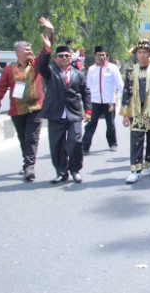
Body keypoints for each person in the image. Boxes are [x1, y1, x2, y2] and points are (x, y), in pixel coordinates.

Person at [35, 17, 92, 184]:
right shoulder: (50, 73)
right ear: (55, 59)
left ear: (70, 57)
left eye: (67, 55)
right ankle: (61, 172)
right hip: (55, 114)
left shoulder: (78, 74)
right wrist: (48, 44)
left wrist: (88, 111)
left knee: (75, 143)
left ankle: (75, 170)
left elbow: (86, 92)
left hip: (74, 114)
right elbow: (40, 65)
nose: (64, 58)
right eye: (60, 56)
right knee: (57, 145)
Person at [0, 41, 45, 181]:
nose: (29, 51)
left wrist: (51, 35)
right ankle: (27, 164)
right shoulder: (8, 70)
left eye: (31, 49)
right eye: (26, 49)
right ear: (17, 52)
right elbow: (0, 89)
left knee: (32, 138)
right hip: (17, 110)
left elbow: (45, 54)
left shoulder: (35, 64)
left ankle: (29, 167)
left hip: (36, 108)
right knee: (23, 138)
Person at [120, 39, 150, 184]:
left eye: (145, 53)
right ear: (136, 54)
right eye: (140, 52)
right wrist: (125, 114)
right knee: (136, 140)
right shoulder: (131, 71)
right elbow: (126, 93)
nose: (142, 55)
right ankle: (135, 170)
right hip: (137, 111)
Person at [81, 46, 123, 154]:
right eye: (99, 55)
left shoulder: (113, 68)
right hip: (95, 102)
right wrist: (87, 102)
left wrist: (124, 100)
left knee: (111, 124)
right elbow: (88, 86)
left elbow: (120, 84)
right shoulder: (92, 69)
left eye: (103, 55)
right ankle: (85, 146)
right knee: (91, 123)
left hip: (109, 101)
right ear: (95, 55)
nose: (102, 57)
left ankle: (113, 143)